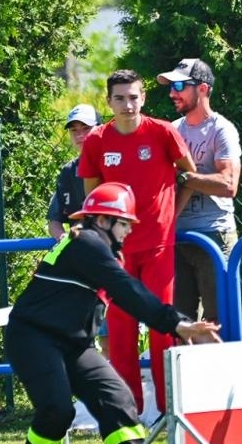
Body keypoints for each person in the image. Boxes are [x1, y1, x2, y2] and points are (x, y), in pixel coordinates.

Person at [4, 182, 221, 444]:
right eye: (124, 224)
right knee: (57, 410)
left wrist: (177, 321)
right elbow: (127, 290)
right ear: (103, 221)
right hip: (33, 337)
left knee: (117, 401)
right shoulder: (88, 243)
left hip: (73, 342)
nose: (128, 232)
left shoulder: (96, 246)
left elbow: (126, 291)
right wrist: (177, 323)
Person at [78, 68, 195, 414]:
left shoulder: (163, 132)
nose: (128, 105)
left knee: (163, 328)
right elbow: (92, 195)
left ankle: (168, 408)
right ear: (108, 101)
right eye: (120, 98)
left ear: (143, 98)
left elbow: (188, 174)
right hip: (118, 253)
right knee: (121, 331)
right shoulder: (98, 140)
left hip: (158, 245)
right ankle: (128, 412)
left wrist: (171, 213)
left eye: (133, 97)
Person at [157, 58, 240, 325]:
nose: (172, 93)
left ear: (202, 89)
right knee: (180, 323)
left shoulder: (221, 129)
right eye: (171, 86)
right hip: (178, 237)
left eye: (179, 85)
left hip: (213, 235)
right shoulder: (173, 129)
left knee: (219, 321)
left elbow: (229, 185)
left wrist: (185, 177)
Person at [46, 103, 99, 240]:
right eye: (73, 130)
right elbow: (54, 221)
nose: (80, 135)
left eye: (86, 128)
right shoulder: (68, 171)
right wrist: (62, 237)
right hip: (81, 246)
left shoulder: (114, 163)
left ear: (101, 128)